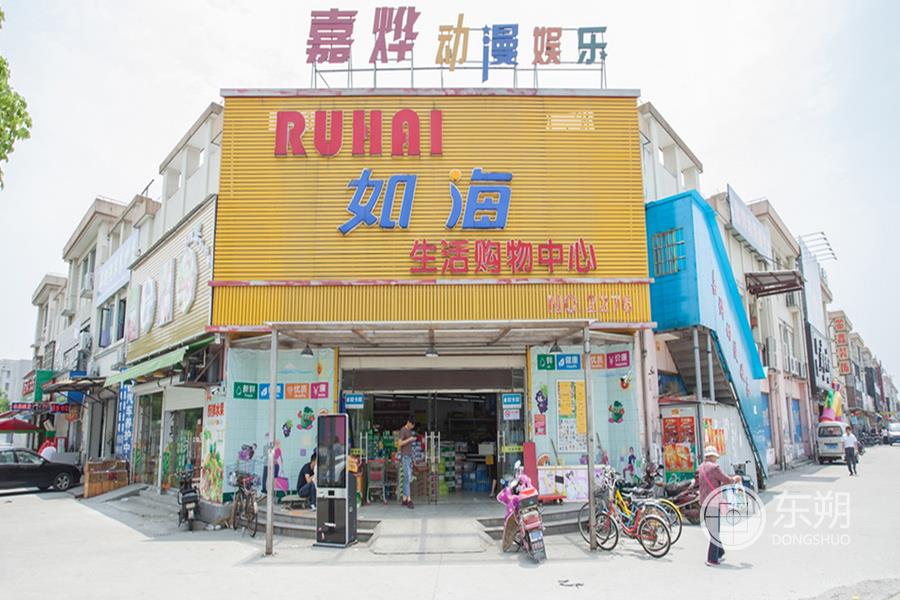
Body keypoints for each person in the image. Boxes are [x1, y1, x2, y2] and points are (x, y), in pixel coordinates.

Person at [697, 446, 742, 567]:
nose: (716, 459)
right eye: (715, 457)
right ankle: (712, 559)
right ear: (711, 456)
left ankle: (720, 552)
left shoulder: (700, 467)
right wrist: (735, 478)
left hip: (703, 502)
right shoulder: (714, 467)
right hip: (713, 503)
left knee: (713, 529)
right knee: (715, 532)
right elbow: (726, 480)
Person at [398, 416, 416, 509]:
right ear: (408, 422)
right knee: (408, 478)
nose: (412, 427)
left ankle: (404, 499)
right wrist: (410, 439)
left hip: (409, 457)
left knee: (406, 479)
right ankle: (409, 500)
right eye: (412, 425)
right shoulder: (403, 430)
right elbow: (400, 443)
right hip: (405, 457)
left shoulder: (409, 431)